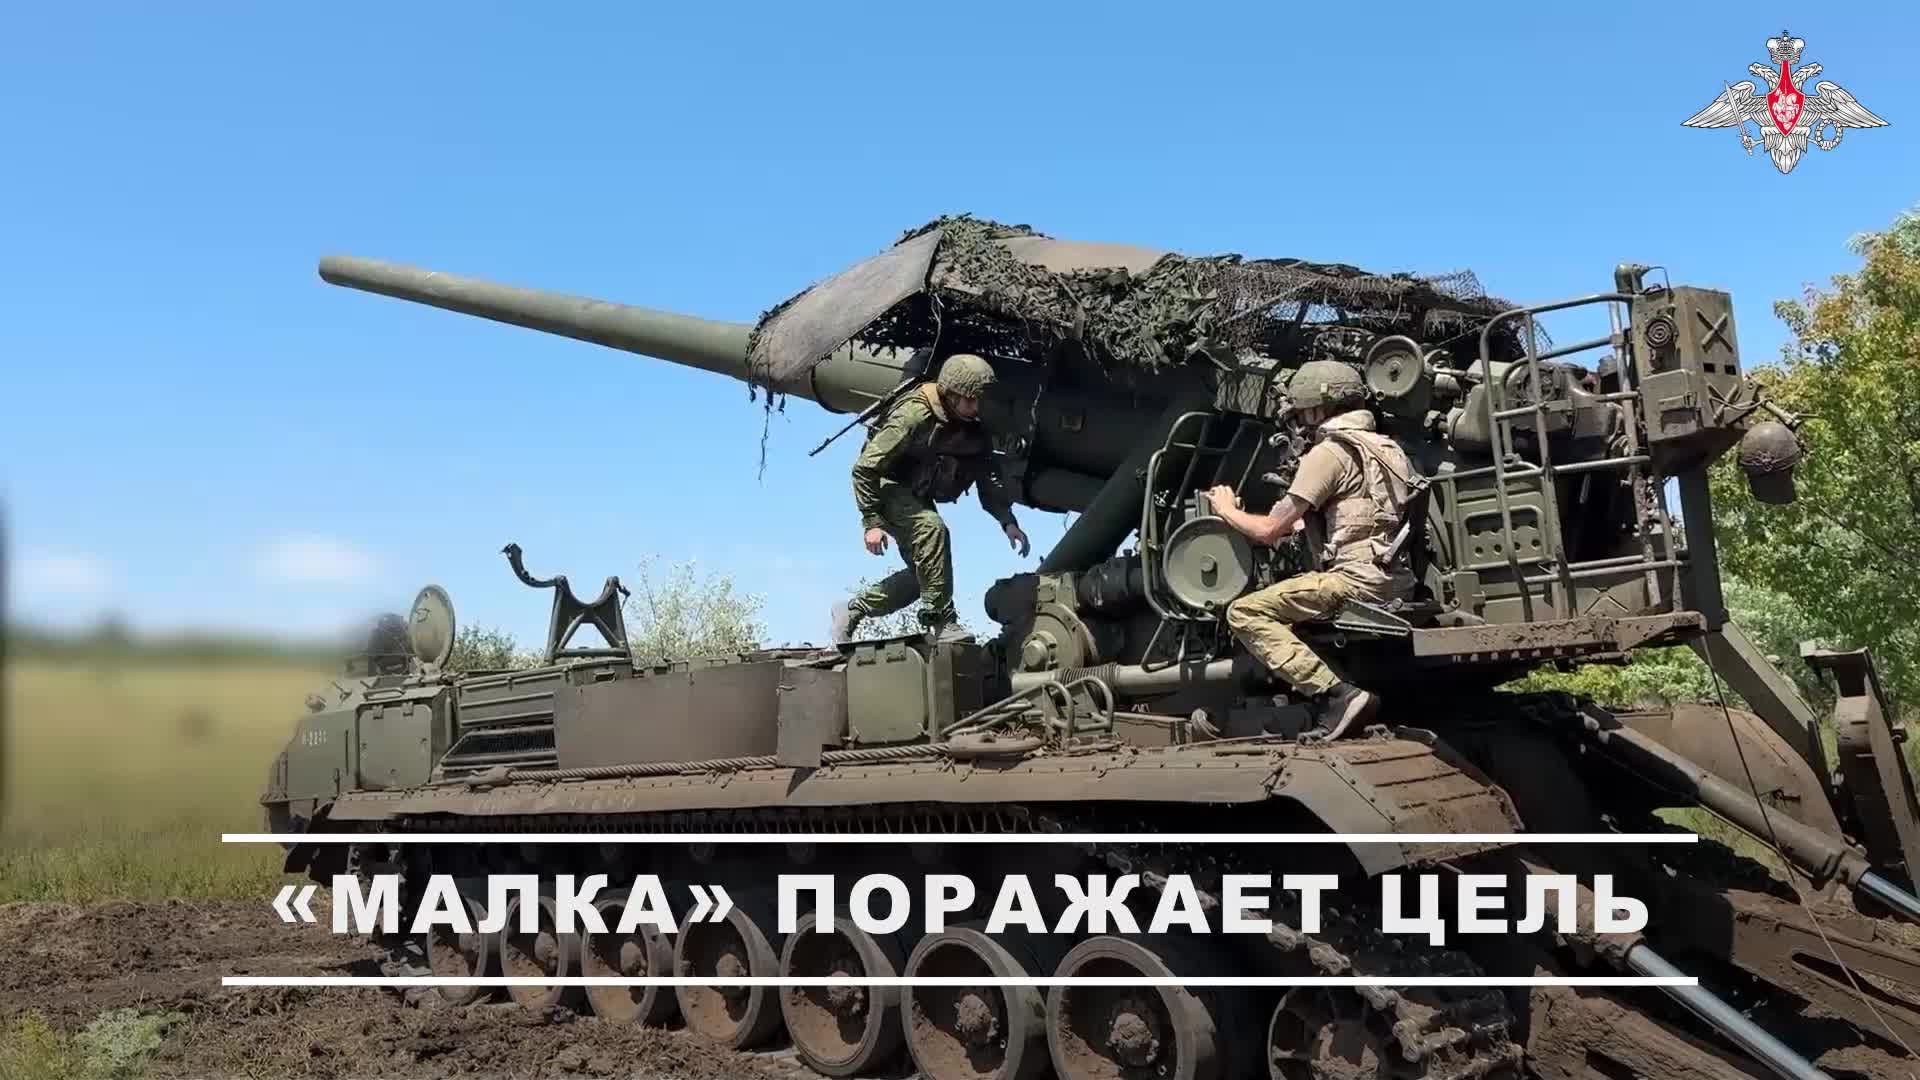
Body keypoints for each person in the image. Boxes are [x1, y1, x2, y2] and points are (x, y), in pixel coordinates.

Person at [1202, 360, 1420, 738]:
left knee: (1246, 612)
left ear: (1320, 409)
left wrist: (1226, 510)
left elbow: (1268, 530)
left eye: (1303, 411)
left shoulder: (1330, 453)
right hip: (1395, 580)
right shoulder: (1388, 448)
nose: (1301, 420)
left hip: (1354, 582)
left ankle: (1335, 694)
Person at [831, 353, 1031, 644]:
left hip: (917, 492)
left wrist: (1007, 521)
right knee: (932, 528)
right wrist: (872, 522)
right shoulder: (914, 414)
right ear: (951, 395)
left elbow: (987, 477)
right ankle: (941, 621)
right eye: (970, 400)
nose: (976, 407)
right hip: (887, 485)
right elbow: (865, 469)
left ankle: (852, 609)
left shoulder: (975, 425)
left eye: (979, 400)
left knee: (924, 578)